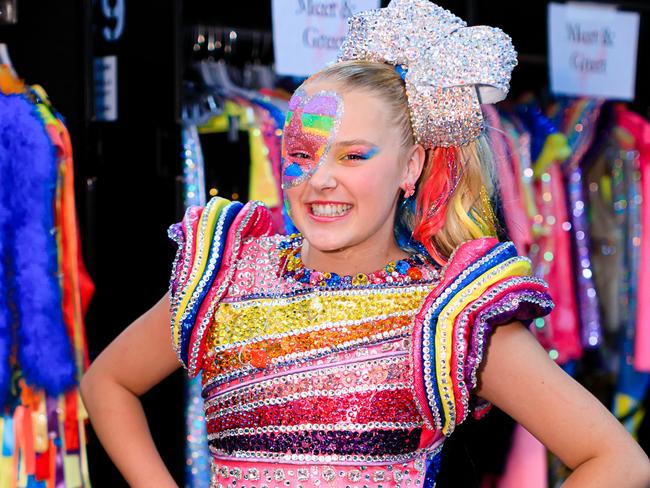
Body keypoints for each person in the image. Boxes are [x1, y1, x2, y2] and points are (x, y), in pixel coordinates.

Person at [80, 1, 650, 487]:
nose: (321, 177)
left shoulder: (447, 313)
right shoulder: (227, 274)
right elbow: (108, 382)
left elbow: (619, 460)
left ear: (411, 165)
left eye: (353, 155)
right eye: (302, 154)